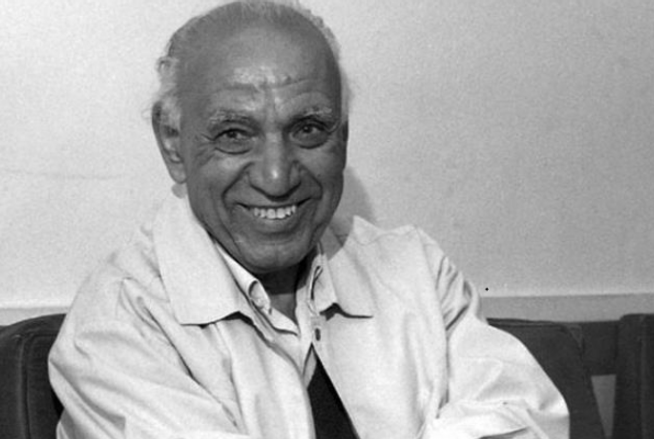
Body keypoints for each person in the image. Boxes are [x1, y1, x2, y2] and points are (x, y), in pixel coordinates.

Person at [48, 1, 569, 438]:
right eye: (234, 135)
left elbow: (523, 420)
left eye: (308, 129)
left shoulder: (417, 272)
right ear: (172, 144)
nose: (277, 177)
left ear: (343, 136)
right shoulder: (117, 325)